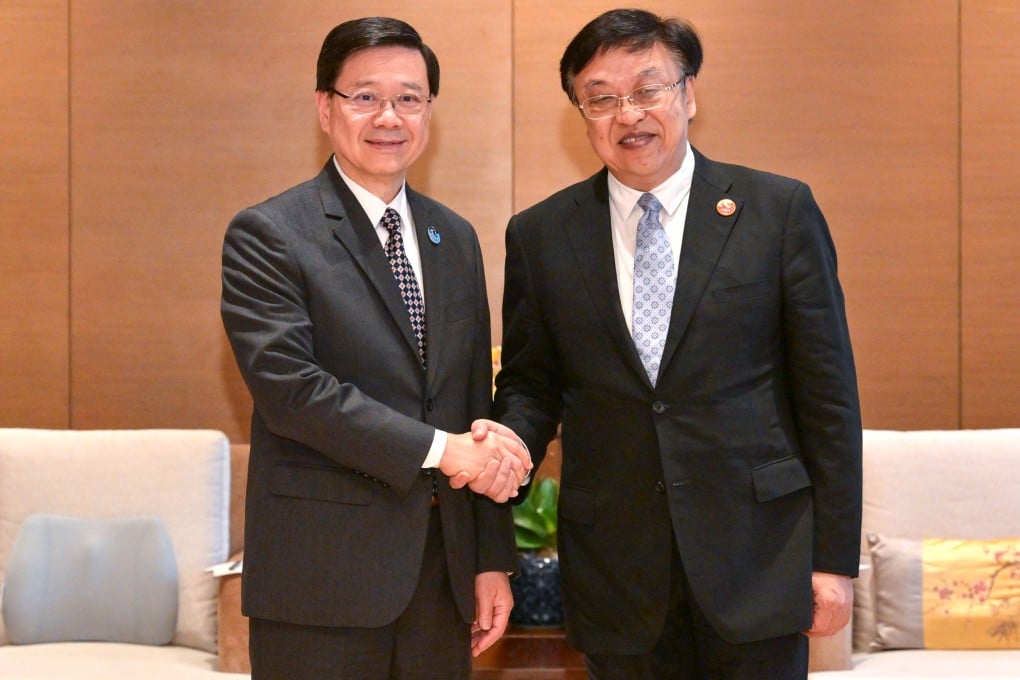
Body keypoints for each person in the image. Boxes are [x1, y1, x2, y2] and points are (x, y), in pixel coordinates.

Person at [493, 8, 862, 679]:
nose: (627, 114)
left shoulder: (777, 212)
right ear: (582, 114)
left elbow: (829, 401)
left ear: (689, 93)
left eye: (648, 89)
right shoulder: (542, 235)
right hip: (617, 569)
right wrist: (507, 448)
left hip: (758, 560)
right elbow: (530, 383)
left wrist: (833, 560)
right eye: (601, 98)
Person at [221, 16, 531, 680]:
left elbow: (474, 401)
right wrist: (444, 450)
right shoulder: (270, 234)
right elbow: (291, 391)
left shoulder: (457, 238)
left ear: (429, 112)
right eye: (365, 96)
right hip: (319, 582)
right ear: (325, 109)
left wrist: (489, 559)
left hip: (440, 581)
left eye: (409, 98)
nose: (389, 116)